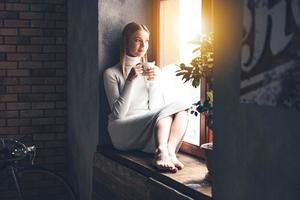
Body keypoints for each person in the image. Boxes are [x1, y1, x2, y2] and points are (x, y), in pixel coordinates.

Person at [103, 22, 190, 173]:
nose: (143, 45)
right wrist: (130, 80)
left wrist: (154, 82)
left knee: (182, 108)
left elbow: (155, 109)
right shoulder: (111, 73)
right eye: (137, 40)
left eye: (147, 41)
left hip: (148, 126)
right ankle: (162, 151)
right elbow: (118, 114)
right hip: (121, 130)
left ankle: (168, 150)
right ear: (126, 42)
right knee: (168, 112)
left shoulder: (153, 70)